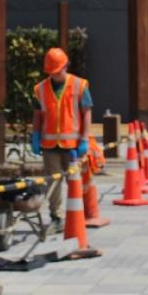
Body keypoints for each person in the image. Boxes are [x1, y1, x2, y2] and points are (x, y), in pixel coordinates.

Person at [31, 47, 93, 233]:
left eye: (58, 71)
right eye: (53, 72)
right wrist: (35, 136)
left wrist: (85, 138)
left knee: (76, 182)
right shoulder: (40, 89)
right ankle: (57, 218)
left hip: (73, 145)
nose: (56, 75)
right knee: (54, 183)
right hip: (50, 145)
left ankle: (79, 216)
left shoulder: (79, 85)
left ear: (66, 66)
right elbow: (37, 115)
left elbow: (87, 112)